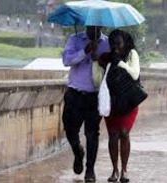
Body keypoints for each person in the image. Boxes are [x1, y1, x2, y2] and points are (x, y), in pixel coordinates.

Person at [62, 26, 109, 182]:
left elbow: (111, 67)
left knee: (92, 133)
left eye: (96, 26)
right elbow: (66, 60)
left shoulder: (107, 43)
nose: (93, 29)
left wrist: (100, 61)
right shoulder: (74, 39)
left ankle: (90, 169)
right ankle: (78, 152)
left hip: (94, 96)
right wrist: (85, 51)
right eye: (90, 26)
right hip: (74, 94)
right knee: (70, 130)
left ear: (101, 26)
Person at [101, 29, 140, 183]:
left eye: (118, 44)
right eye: (112, 45)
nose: (115, 48)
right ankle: (114, 170)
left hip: (129, 101)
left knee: (124, 132)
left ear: (124, 43)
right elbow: (99, 78)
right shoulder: (106, 57)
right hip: (111, 101)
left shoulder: (132, 54)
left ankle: (124, 170)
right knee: (112, 135)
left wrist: (120, 62)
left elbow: (135, 74)